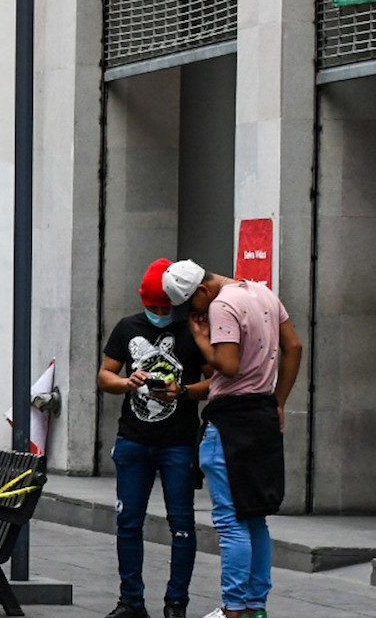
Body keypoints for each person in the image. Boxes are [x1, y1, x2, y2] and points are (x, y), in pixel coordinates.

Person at [163, 260, 304, 618]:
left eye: (191, 306)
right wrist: (279, 401)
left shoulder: (221, 305)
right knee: (256, 517)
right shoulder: (263, 292)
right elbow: (294, 346)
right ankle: (256, 607)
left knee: (231, 522)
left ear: (202, 291)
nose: (194, 314)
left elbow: (227, 365)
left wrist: (200, 339)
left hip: (230, 423)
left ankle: (234, 608)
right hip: (261, 415)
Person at [99, 259, 210, 618]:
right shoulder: (126, 327)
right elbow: (105, 376)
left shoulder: (192, 330)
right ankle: (131, 600)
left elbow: (215, 381)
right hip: (133, 439)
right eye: (153, 307)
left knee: (181, 523)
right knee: (128, 520)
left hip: (178, 442)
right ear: (141, 300)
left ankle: (176, 601)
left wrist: (184, 391)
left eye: (166, 307)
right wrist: (125, 383)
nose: (160, 313)